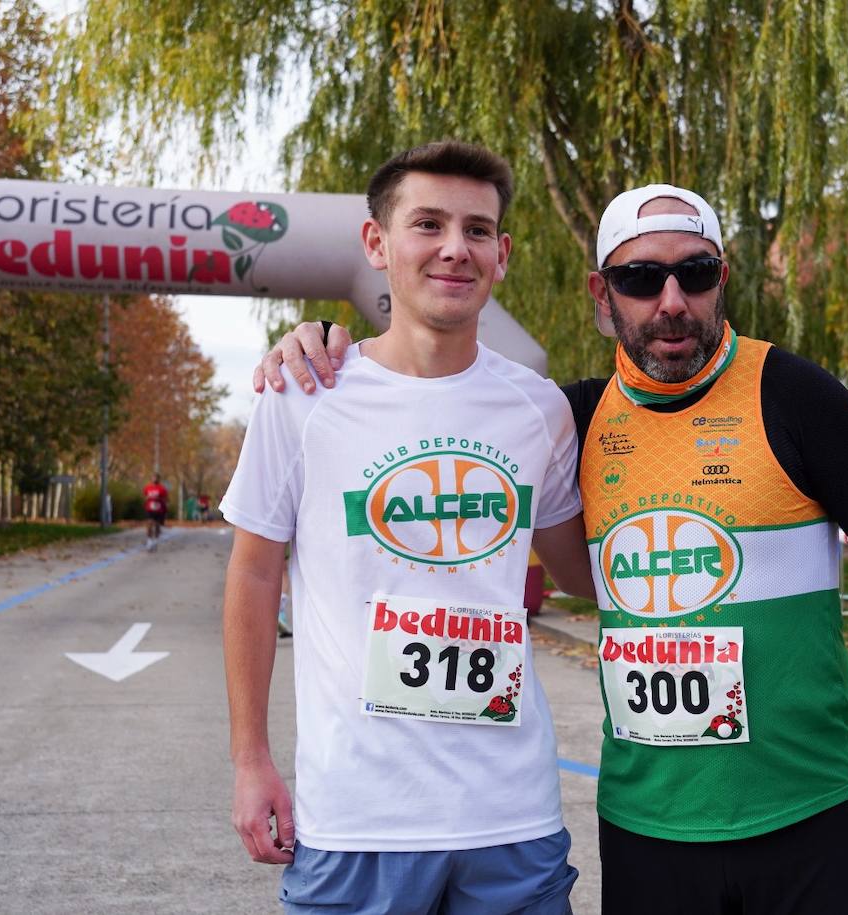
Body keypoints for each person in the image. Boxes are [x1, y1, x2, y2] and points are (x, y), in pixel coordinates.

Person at [258, 185, 848, 914]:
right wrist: (329, 347)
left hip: (807, 810)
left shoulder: (791, 393)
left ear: (722, 280)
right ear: (603, 293)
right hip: (646, 826)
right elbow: (438, 403)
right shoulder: (570, 418)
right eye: (641, 279)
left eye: (695, 274)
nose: (672, 301)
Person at [222, 141, 594, 914]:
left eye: (477, 230)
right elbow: (254, 573)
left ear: (501, 254)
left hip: (511, 819)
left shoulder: (539, 409)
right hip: (356, 819)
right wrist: (250, 758)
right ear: (376, 243)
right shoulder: (302, 395)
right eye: (428, 224)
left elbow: (586, 575)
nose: (455, 247)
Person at [142, 474, 168, 551]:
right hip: (149, 508)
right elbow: (145, 496)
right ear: (151, 479)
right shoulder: (147, 487)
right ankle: (149, 542)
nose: (155, 479)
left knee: (157, 526)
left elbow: (166, 499)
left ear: (159, 479)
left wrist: (159, 498)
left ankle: (155, 541)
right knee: (149, 524)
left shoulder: (162, 488)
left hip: (159, 509)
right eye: (153, 477)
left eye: (156, 478)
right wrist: (147, 498)